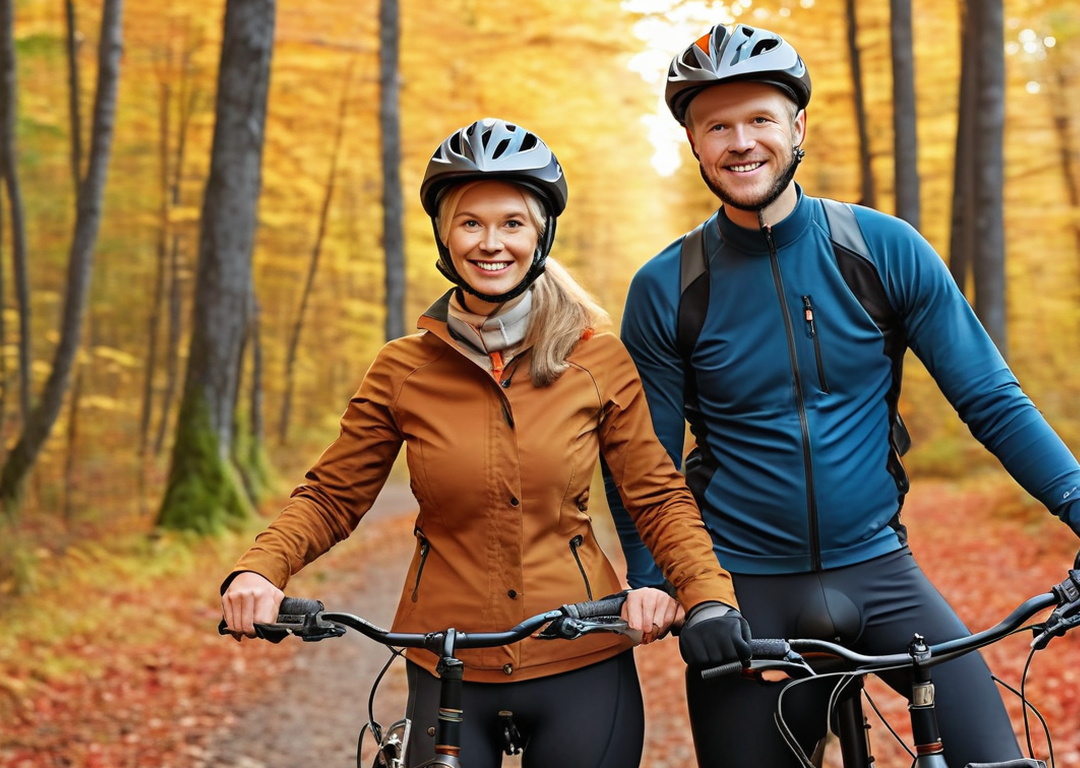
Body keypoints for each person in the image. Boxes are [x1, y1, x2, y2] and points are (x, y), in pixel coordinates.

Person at [606, 24, 1080, 768]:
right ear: (694, 142)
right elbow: (648, 467)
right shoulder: (666, 288)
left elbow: (993, 401)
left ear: (797, 127)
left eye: (760, 120)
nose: (741, 143)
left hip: (880, 572)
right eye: (718, 126)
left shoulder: (882, 248)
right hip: (743, 589)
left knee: (993, 758)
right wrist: (660, 584)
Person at [220, 117, 748, 768]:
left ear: (540, 235)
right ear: (444, 235)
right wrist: (260, 569)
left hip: (579, 652)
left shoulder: (596, 361)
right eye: (471, 223)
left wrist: (709, 597)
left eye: (512, 223)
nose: (490, 243)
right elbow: (332, 495)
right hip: (445, 658)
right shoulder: (401, 368)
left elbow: (657, 497)